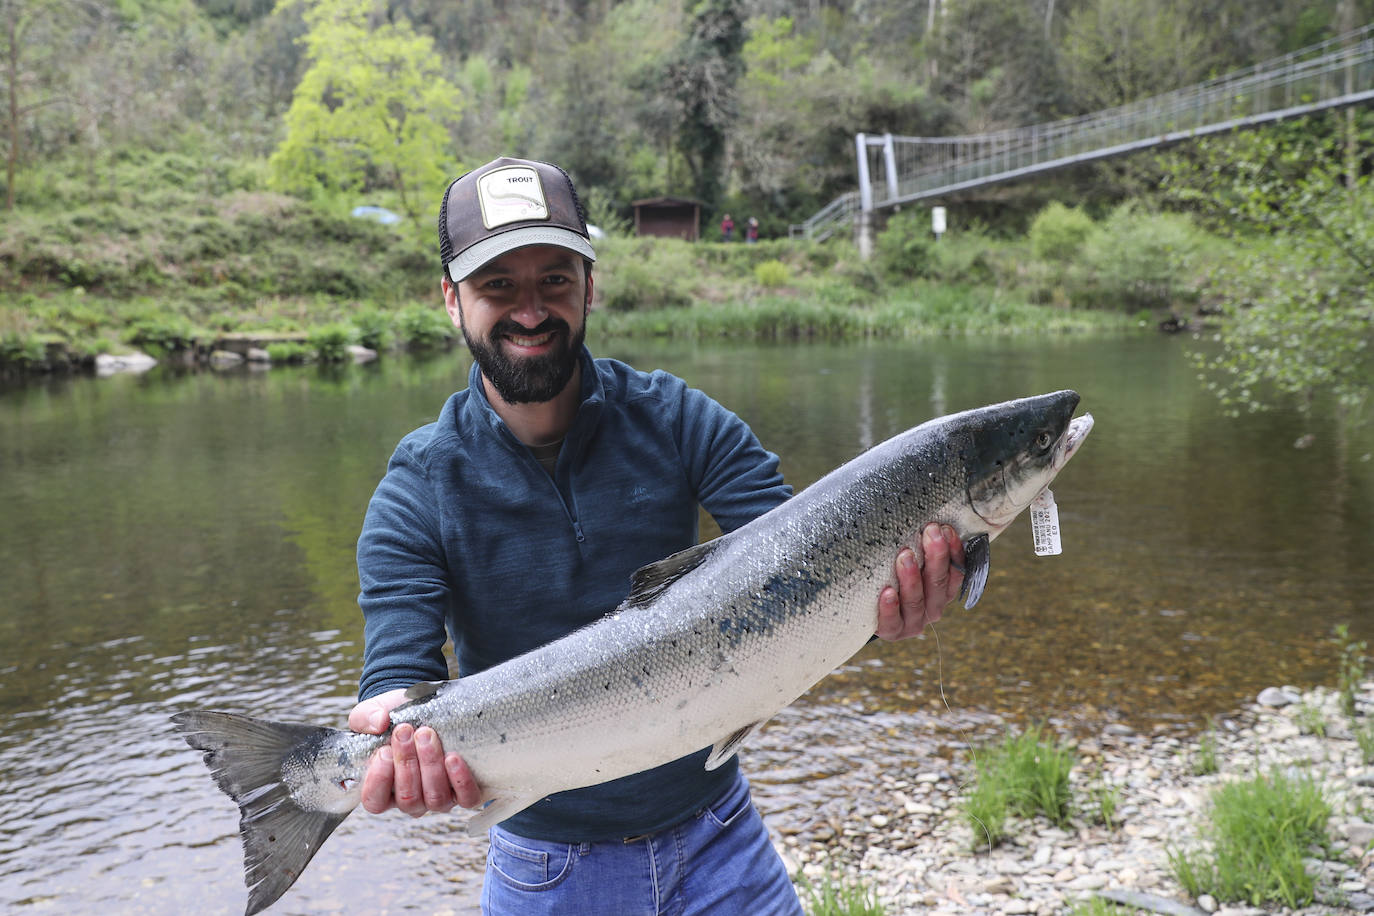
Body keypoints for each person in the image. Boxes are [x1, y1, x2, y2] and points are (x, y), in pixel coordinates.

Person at [348, 156, 967, 915]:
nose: (531, 310)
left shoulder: (679, 420)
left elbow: (810, 569)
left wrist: (882, 610)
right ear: (451, 300)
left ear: (589, 287)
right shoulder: (415, 491)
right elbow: (398, 678)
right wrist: (390, 742)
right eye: (497, 285)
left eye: (554, 280)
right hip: (547, 868)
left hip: (721, 838)